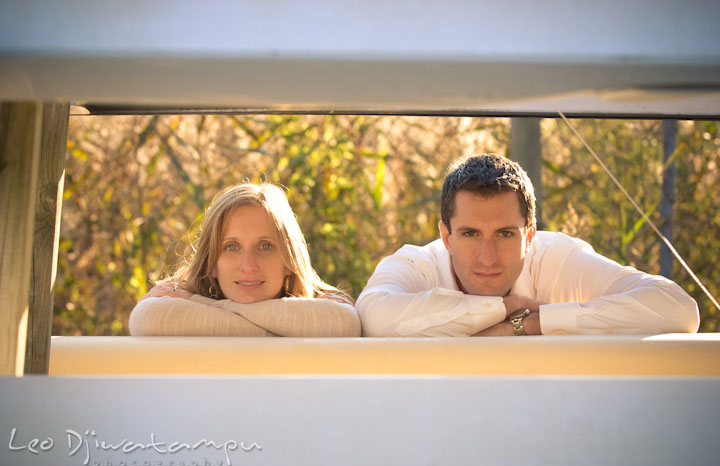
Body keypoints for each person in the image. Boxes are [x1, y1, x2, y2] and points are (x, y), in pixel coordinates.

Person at [357, 153, 700, 337]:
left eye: (505, 234)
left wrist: (532, 323)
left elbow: (677, 309)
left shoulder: (557, 258)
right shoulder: (416, 264)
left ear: (531, 236)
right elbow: (372, 316)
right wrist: (505, 309)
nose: (487, 257)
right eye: (470, 234)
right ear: (446, 236)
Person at [129, 183, 361, 337]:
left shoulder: (327, 305)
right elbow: (149, 318)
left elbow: (344, 323)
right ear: (212, 263)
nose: (249, 265)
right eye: (231, 247)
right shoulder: (171, 295)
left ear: (288, 260)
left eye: (265, 246)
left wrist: (203, 304)